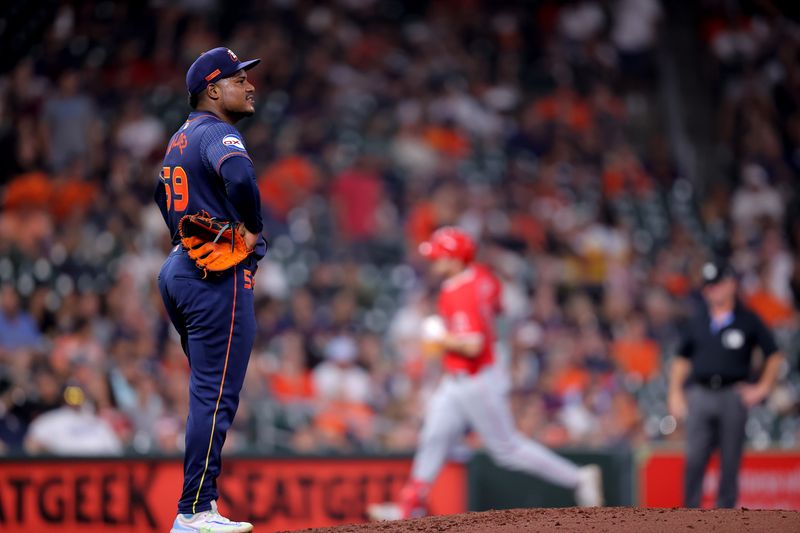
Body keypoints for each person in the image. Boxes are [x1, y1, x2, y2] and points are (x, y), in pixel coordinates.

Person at [369, 227, 603, 521]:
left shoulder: (457, 291)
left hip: (476, 378)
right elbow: (498, 313)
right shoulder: (483, 276)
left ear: (455, 259)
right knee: (433, 437)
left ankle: (578, 477)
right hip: (463, 378)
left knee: (507, 449)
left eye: (440, 255)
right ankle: (407, 507)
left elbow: (472, 345)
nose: (434, 260)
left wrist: (441, 337)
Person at [155, 47, 266, 533]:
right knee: (214, 396)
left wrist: (185, 241)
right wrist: (253, 226)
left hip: (180, 270)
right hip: (214, 277)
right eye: (240, 79)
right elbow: (238, 175)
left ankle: (195, 509)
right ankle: (195, 509)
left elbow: (163, 196)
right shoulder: (218, 131)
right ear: (214, 90)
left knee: (206, 392)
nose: (250, 85)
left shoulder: (179, 138)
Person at [668, 259, 784, 508]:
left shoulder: (748, 319)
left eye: (717, 285)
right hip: (700, 394)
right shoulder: (697, 320)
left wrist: (763, 388)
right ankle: (689, 517)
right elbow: (681, 358)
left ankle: (725, 520)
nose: (713, 291)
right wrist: (675, 392)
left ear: (731, 285)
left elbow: (773, 354)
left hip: (733, 395)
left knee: (730, 462)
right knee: (694, 458)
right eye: (708, 287)